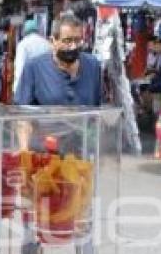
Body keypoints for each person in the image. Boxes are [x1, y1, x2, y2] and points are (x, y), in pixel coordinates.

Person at [14, 13, 102, 151]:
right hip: (45, 153)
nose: (73, 46)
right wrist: (24, 152)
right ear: (53, 41)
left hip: (81, 153)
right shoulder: (34, 68)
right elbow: (23, 117)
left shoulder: (93, 66)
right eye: (67, 41)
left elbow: (97, 112)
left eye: (78, 40)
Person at [13, 20, 52, 93]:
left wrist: (17, 89)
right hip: (45, 86)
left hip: (28, 87)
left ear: (25, 31)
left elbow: (20, 68)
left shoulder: (23, 44)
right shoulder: (47, 44)